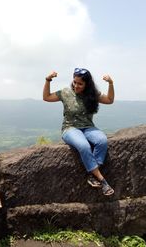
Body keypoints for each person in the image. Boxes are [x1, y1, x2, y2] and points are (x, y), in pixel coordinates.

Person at [43, 68, 115, 196]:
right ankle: (102, 180)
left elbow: (109, 100)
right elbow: (46, 97)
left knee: (102, 141)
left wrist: (111, 84)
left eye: (80, 84)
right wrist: (48, 80)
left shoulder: (92, 94)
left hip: (88, 127)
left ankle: (92, 175)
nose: (76, 85)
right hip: (70, 128)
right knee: (84, 146)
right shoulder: (66, 92)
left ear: (87, 84)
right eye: (75, 82)